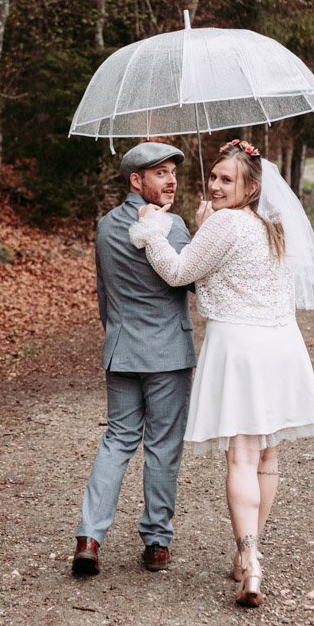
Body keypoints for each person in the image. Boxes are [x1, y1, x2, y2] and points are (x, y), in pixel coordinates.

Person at [129, 139, 314, 607]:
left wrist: (152, 229)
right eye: (213, 177)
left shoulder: (225, 224)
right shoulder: (274, 226)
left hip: (239, 347)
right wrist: (206, 227)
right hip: (281, 345)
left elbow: (178, 273)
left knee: (241, 458)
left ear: (251, 186)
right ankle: (246, 558)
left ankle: (251, 562)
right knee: (267, 459)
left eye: (226, 179)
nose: (214, 186)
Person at [71, 141, 196, 577]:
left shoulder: (106, 226)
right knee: (162, 446)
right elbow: (190, 281)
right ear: (136, 181)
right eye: (160, 173)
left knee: (117, 440)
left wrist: (118, 336)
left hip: (122, 349)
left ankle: (90, 536)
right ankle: (157, 543)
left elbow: (105, 296)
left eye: (172, 172)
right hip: (168, 354)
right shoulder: (174, 226)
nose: (171, 180)